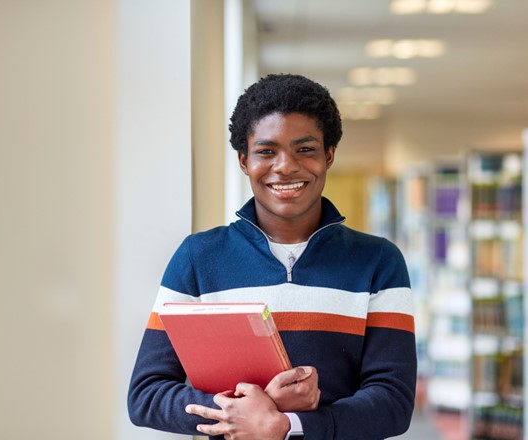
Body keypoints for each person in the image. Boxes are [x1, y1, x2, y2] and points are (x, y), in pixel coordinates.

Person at [127, 73, 416, 440]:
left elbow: (393, 403)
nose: (286, 166)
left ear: (329, 155)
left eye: (305, 149)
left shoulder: (379, 261)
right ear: (244, 160)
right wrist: (249, 409)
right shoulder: (197, 257)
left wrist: (286, 427)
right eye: (267, 151)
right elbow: (146, 396)